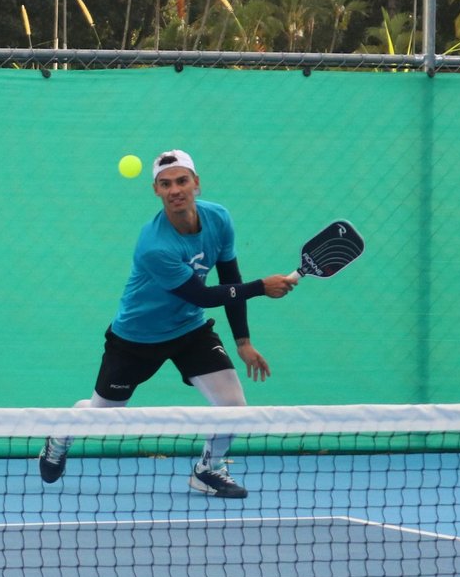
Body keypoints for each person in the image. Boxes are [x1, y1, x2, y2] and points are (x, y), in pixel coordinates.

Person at [37, 150, 296, 499]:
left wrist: (243, 342)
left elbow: (229, 277)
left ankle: (207, 470)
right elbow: (201, 295)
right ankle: (62, 432)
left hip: (190, 330)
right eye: (166, 184)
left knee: (233, 406)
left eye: (182, 180)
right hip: (136, 337)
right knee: (103, 416)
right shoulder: (154, 245)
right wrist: (262, 288)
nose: (175, 189)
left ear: (196, 183)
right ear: (156, 190)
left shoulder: (219, 219)